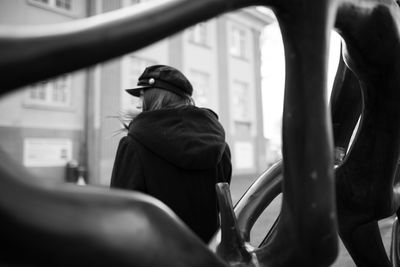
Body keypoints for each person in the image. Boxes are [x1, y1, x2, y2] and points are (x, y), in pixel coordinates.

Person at [110, 64, 232, 243]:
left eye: (142, 96)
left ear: (154, 98)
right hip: (208, 253)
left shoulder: (133, 145)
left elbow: (122, 212)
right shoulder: (220, 146)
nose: (138, 104)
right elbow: (220, 204)